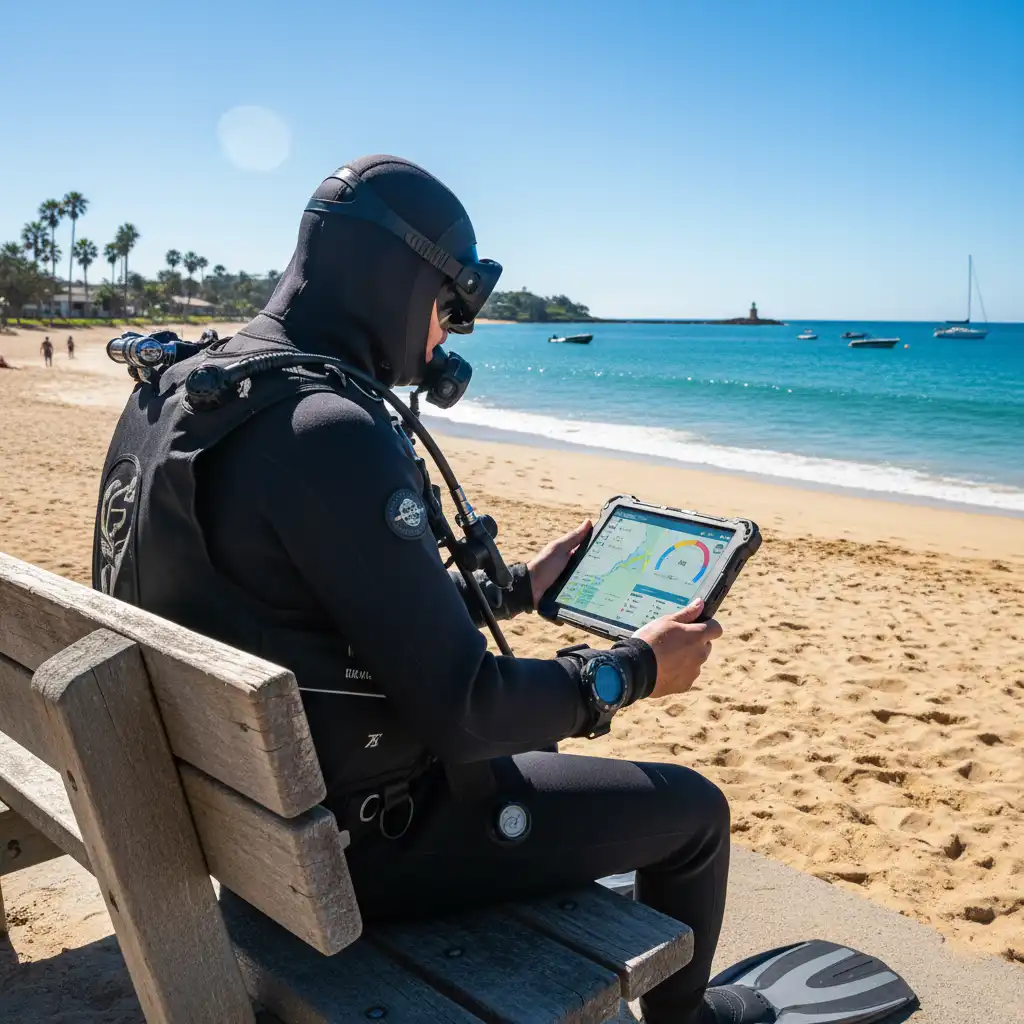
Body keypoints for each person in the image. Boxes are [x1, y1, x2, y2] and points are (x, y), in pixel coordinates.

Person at [91, 156, 915, 1024]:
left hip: (245, 820)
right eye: (447, 309)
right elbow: (469, 712)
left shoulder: (187, 386)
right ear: (404, 280)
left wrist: (517, 587)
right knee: (697, 813)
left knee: (558, 764)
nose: (445, 339)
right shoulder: (327, 428)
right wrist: (634, 669)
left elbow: (292, 596)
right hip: (367, 847)